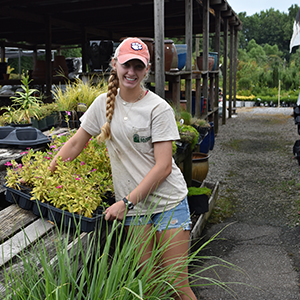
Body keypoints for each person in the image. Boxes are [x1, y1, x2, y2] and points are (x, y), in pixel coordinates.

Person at [49, 37, 197, 300]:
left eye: (138, 67)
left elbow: (163, 167)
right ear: (114, 64)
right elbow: (75, 143)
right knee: (149, 285)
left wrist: (125, 203)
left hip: (167, 202)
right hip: (135, 209)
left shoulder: (158, 108)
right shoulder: (102, 104)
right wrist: (50, 171)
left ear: (147, 70)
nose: (131, 72)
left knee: (177, 285)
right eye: (126, 64)